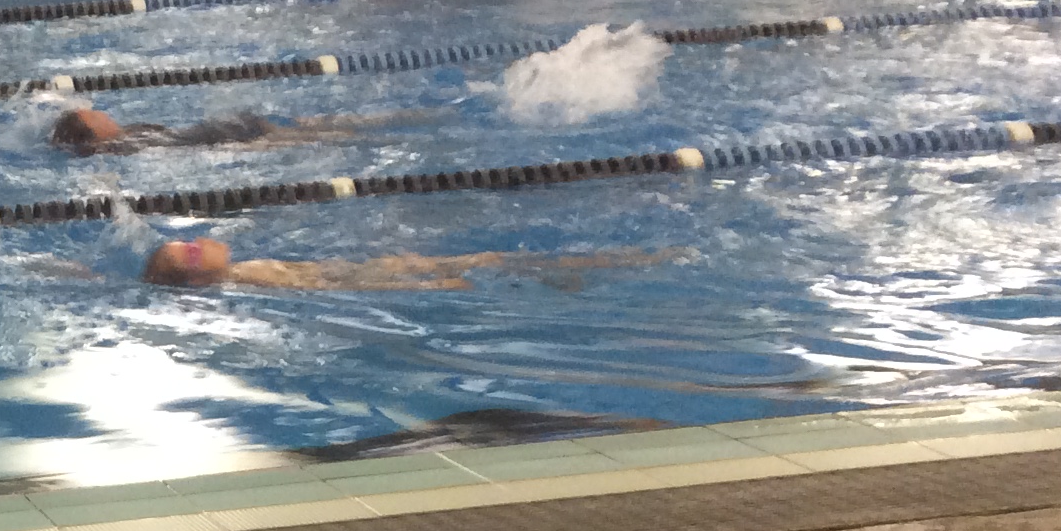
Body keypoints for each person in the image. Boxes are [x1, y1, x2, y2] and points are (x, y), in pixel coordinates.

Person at [140, 236, 666, 291]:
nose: (199, 239)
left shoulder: (244, 273)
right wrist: (426, 288)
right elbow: (336, 289)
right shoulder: (252, 278)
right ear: (201, 276)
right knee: (490, 263)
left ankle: (592, 266)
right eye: (190, 250)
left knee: (492, 259)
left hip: (369, 267)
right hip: (368, 278)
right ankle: (605, 265)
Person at [52, 105, 414, 156]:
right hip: (222, 139)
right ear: (94, 132)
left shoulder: (131, 132)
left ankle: (384, 123)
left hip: (221, 129)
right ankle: (385, 137)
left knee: (311, 126)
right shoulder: (118, 147)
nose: (101, 111)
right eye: (94, 115)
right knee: (308, 137)